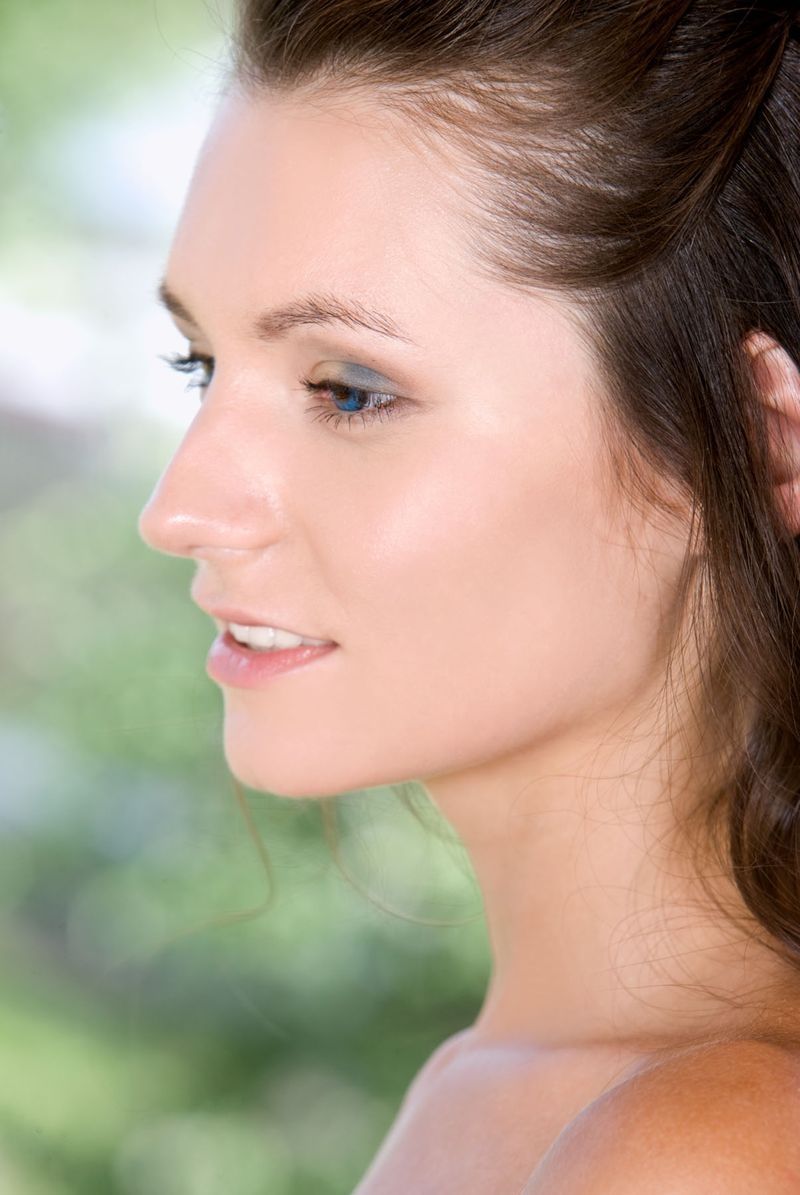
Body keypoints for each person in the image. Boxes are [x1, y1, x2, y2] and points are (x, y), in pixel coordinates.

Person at [137, 2, 800, 1190]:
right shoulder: (500, 1084)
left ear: (748, 446)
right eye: (201, 365)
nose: (179, 508)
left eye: (345, 390)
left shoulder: (705, 1146)